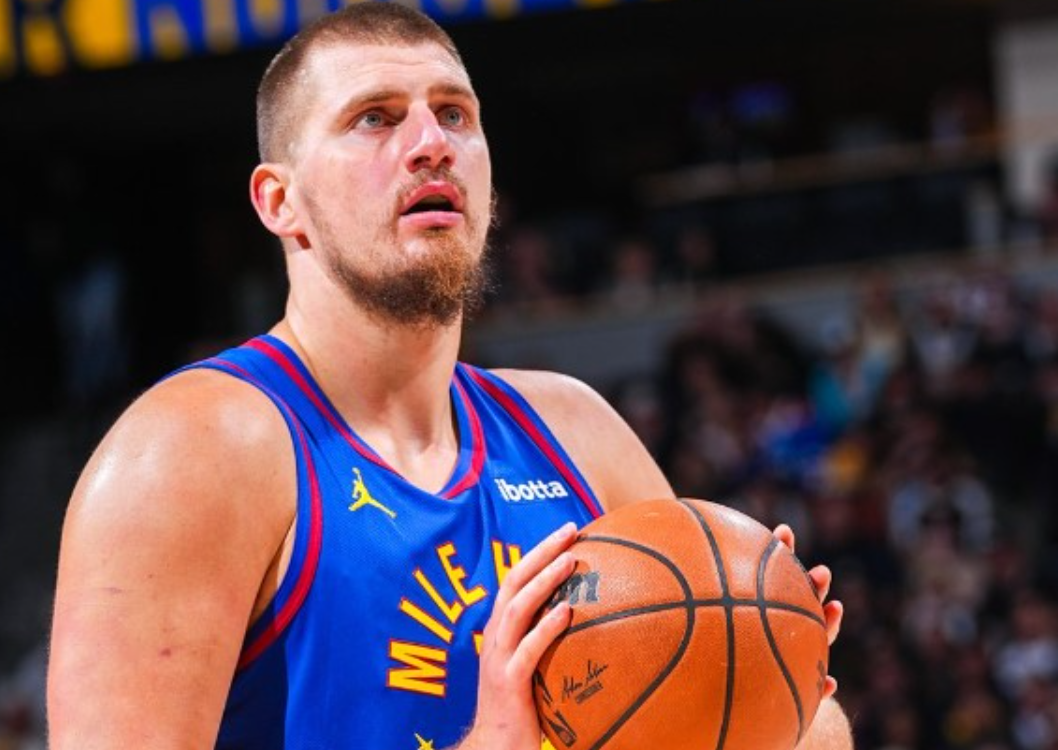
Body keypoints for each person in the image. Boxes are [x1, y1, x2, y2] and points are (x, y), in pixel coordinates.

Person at [46, 4, 849, 749]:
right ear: (279, 201)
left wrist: (774, 661)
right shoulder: (190, 455)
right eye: (375, 118)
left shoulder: (573, 428)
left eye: (455, 113)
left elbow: (794, 731)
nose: (431, 142)